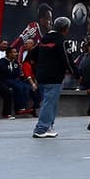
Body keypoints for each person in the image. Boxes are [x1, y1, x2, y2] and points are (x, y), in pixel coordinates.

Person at [31, 9, 68, 139]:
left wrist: (40, 66)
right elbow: (67, 59)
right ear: (65, 29)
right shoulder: (61, 41)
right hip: (54, 76)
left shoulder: (43, 39)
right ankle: (41, 128)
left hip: (42, 75)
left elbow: (32, 55)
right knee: (49, 102)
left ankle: (48, 126)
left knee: (50, 102)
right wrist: (77, 73)